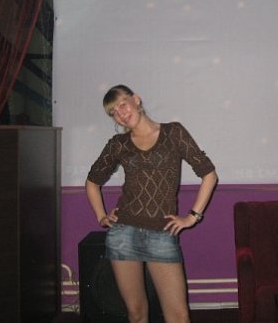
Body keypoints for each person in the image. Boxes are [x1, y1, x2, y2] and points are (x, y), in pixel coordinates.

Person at [85, 84, 218, 323]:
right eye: (113, 112)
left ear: (136, 100)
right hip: (123, 234)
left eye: (122, 105)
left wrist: (192, 216)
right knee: (136, 314)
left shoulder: (174, 132)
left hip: (161, 233)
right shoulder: (118, 143)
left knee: (178, 316)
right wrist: (101, 216)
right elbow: (92, 182)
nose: (120, 114)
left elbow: (209, 175)